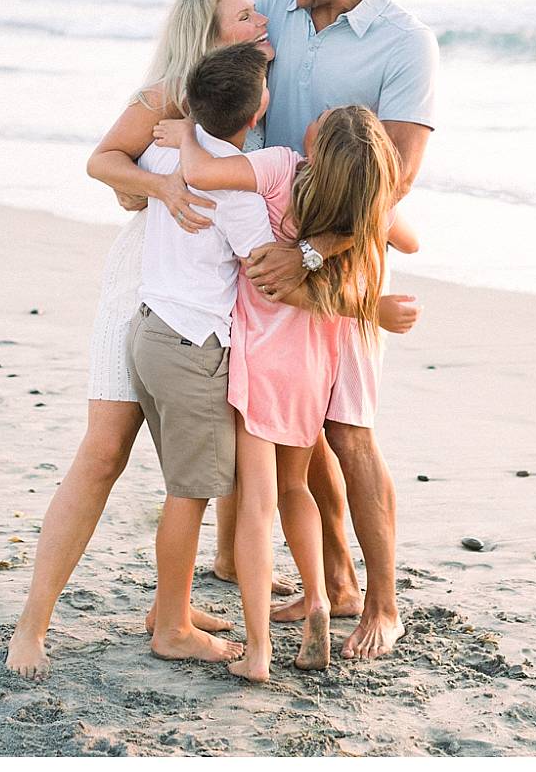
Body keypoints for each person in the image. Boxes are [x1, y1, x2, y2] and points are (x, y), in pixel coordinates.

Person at [161, 0, 439, 661]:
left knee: (348, 432)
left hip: (338, 255)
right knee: (298, 431)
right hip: (271, 250)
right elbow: (219, 70)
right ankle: (336, 584)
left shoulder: (404, 44)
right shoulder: (281, 5)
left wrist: (313, 251)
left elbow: (398, 183)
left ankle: (381, 605)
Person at [6, 0, 279, 679]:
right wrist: (158, 188)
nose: (259, 20)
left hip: (202, 295)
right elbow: (103, 160)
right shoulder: (167, 95)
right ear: (210, 31)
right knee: (104, 452)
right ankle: (31, 626)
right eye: (244, 14)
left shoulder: (247, 95)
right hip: (139, 287)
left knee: (197, 459)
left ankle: (174, 610)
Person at [160, 103, 421, 680]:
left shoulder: (282, 169)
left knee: (258, 502)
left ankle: (258, 650)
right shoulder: (356, 203)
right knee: (296, 484)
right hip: (315, 360)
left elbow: (204, 175)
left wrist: (186, 135)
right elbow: (410, 240)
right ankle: (322, 598)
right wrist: (362, 222)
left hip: (260, 360)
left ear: (317, 149)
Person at [126, 42, 273, 664]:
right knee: (190, 490)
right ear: (258, 109)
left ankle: (173, 605)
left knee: (185, 481)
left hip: (148, 332)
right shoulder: (235, 188)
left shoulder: (164, 151)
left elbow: (129, 184)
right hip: (191, 347)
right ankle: (172, 632)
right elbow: (266, 266)